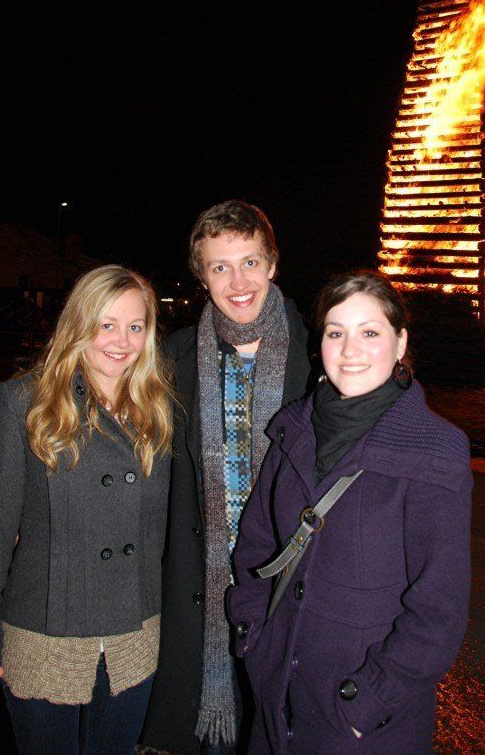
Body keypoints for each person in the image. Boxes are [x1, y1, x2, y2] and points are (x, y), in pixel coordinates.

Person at [228, 270, 472, 755]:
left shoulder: (434, 450)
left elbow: (438, 611)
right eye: (335, 332)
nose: (349, 349)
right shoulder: (293, 429)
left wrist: (367, 703)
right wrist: (253, 634)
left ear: (400, 343)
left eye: (370, 332)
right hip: (277, 694)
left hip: (363, 720)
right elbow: (256, 542)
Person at [0, 265, 174, 755]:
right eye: (106, 324)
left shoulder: (157, 407)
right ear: (78, 324)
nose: (122, 341)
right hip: (45, 631)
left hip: (134, 632)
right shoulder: (25, 401)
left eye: (135, 326)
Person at [141, 200, 311, 755]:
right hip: (202, 583)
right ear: (202, 276)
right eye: (220, 267)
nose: (238, 283)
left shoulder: (320, 354)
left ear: (273, 264)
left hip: (290, 583)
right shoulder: (175, 357)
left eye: (250, 263)